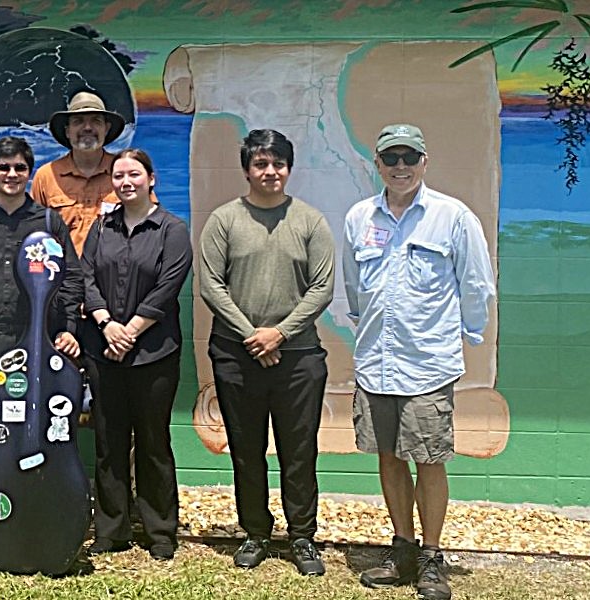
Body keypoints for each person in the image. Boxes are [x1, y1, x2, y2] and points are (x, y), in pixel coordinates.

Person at [344, 124, 494, 600]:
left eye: (410, 157)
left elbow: (476, 285)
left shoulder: (452, 217)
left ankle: (431, 557)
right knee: (388, 456)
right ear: (378, 164)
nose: (401, 166)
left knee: (428, 459)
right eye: (392, 158)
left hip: (427, 364)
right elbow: (353, 286)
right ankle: (402, 548)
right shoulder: (359, 217)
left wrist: (468, 334)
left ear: (425, 161)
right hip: (375, 362)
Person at [196, 129, 334, 575]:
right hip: (237, 355)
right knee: (246, 448)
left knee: (299, 450)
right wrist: (253, 336)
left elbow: (322, 288)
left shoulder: (311, 221)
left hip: (298, 358)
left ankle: (301, 536)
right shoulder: (224, 220)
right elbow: (211, 286)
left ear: (289, 169)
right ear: (247, 170)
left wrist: (279, 334)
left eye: (277, 164)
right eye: (260, 164)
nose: (270, 172)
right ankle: (255, 531)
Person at [80, 148, 191, 561]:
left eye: (134, 175)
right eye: (119, 176)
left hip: (154, 354)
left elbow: (168, 285)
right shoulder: (102, 228)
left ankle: (160, 529)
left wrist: (132, 329)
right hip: (103, 350)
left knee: (152, 441)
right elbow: (85, 276)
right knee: (109, 442)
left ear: (151, 179)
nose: (126, 182)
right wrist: (106, 323)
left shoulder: (171, 229)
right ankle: (112, 529)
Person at [0, 136, 81, 459]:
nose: (11, 174)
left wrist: (68, 328)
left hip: (34, 338)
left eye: (19, 168)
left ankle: (28, 501)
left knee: (32, 422)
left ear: (29, 172)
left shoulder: (49, 222)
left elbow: (71, 278)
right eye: (3, 168)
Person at [30, 90, 128, 253]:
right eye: (78, 121)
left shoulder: (125, 171)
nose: (87, 127)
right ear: (68, 131)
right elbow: (34, 233)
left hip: (116, 275)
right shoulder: (46, 176)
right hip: (64, 275)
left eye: (96, 121)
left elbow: (149, 225)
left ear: (107, 128)